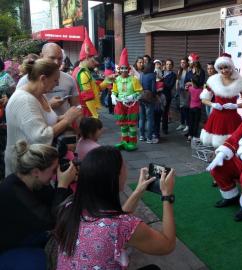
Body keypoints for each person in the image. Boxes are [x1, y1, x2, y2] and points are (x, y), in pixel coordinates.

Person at [55, 146, 176, 269]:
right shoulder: (122, 225)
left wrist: (139, 190)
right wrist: (167, 195)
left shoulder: (69, 206)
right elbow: (167, 245)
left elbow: (114, 219)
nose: (126, 170)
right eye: (124, 166)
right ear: (115, 177)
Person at [0, 140, 77, 269]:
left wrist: (65, 182)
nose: (54, 175)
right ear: (36, 171)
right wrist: (62, 185)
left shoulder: (35, 182)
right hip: (12, 246)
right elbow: (51, 221)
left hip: (29, 234)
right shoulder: (12, 190)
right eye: (53, 171)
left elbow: (56, 205)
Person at [5, 58, 82, 177]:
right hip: (26, 171)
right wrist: (67, 120)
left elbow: (46, 120)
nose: (57, 84)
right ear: (43, 79)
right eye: (55, 80)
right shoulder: (24, 100)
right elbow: (41, 136)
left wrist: (67, 116)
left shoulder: (40, 95)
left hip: (39, 166)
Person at [200, 53, 242, 148]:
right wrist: (213, 104)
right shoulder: (213, 80)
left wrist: (236, 106)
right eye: (221, 68)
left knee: (232, 145)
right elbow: (204, 99)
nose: (224, 71)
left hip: (232, 119)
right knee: (216, 146)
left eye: (226, 67)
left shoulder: (240, 82)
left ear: (231, 67)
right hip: (216, 118)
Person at [17, 43, 80, 116]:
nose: (56, 62)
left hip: (65, 125)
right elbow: (22, 112)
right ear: (41, 56)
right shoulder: (26, 81)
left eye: (60, 59)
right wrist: (49, 105)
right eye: (52, 58)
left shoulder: (69, 79)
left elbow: (75, 106)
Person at [72, 29, 115, 118]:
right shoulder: (83, 74)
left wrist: (108, 80)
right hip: (86, 113)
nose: (96, 63)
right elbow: (87, 96)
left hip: (86, 111)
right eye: (94, 59)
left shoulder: (82, 71)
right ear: (87, 57)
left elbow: (96, 88)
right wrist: (95, 115)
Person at [111, 48, 143, 151]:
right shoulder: (116, 80)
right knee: (123, 124)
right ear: (119, 69)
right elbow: (114, 91)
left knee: (131, 124)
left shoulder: (133, 79)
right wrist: (113, 96)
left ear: (129, 69)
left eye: (126, 68)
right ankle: (124, 141)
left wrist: (131, 97)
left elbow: (140, 92)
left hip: (132, 105)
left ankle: (132, 142)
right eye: (122, 68)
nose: (124, 70)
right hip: (120, 105)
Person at [139, 62, 157, 144]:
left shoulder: (142, 74)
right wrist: (155, 95)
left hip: (141, 97)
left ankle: (142, 136)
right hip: (149, 98)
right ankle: (149, 138)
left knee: (142, 118)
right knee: (150, 119)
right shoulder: (152, 75)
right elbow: (153, 89)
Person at [186, 74, 203, 142]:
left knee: (191, 122)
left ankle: (190, 135)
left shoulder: (190, 88)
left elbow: (186, 87)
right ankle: (195, 136)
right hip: (198, 108)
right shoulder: (201, 90)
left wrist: (189, 84)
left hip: (191, 108)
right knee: (196, 123)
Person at [162, 59, 176, 135]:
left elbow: (170, 86)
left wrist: (162, 82)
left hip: (167, 96)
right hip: (159, 96)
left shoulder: (173, 75)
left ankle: (165, 128)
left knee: (165, 113)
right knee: (157, 112)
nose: (168, 66)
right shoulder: (161, 72)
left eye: (170, 64)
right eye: (167, 64)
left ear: (172, 66)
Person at [175, 57, 189, 132]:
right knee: (180, 108)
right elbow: (177, 79)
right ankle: (182, 123)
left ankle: (187, 124)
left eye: (184, 62)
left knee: (185, 108)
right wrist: (176, 86)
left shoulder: (189, 71)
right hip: (180, 91)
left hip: (186, 92)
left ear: (187, 63)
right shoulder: (180, 70)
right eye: (181, 62)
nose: (182, 64)